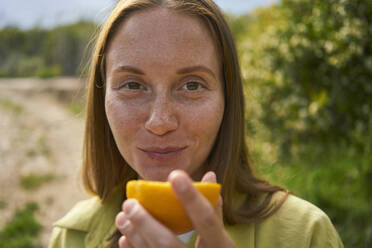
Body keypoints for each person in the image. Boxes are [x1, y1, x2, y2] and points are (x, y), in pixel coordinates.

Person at [48, 0, 344, 247]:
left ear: (227, 100)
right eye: (133, 85)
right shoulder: (69, 237)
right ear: (102, 100)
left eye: (191, 85)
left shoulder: (306, 234)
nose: (160, 122)